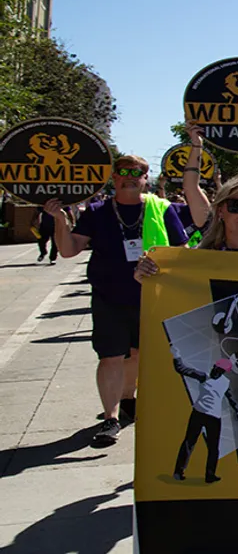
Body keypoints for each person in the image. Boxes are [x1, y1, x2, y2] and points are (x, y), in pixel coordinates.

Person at [47, 155, 189, 445]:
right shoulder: (97, 212)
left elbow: (182, 250)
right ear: (113, 177)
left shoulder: (161, 209)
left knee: (137, 354)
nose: (130, 177)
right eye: (123, 172)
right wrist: (61, 221)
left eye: (136, 173)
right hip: (108, 297)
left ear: (145, 177)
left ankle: (128, 399)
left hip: (151, 297)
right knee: (110, 356)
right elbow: (69, 250)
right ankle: (110, 419)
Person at [171, 355, 238, 483]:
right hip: (213, 417)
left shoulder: (204, 376)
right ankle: (209, 475)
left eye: (216, 367)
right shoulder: (225, 382)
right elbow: (231, 399)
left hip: (199, 413)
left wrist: (176, 356)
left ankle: (179, 471)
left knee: (190, 443)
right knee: (212, 448)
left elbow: (181, 369)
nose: (214, 369)